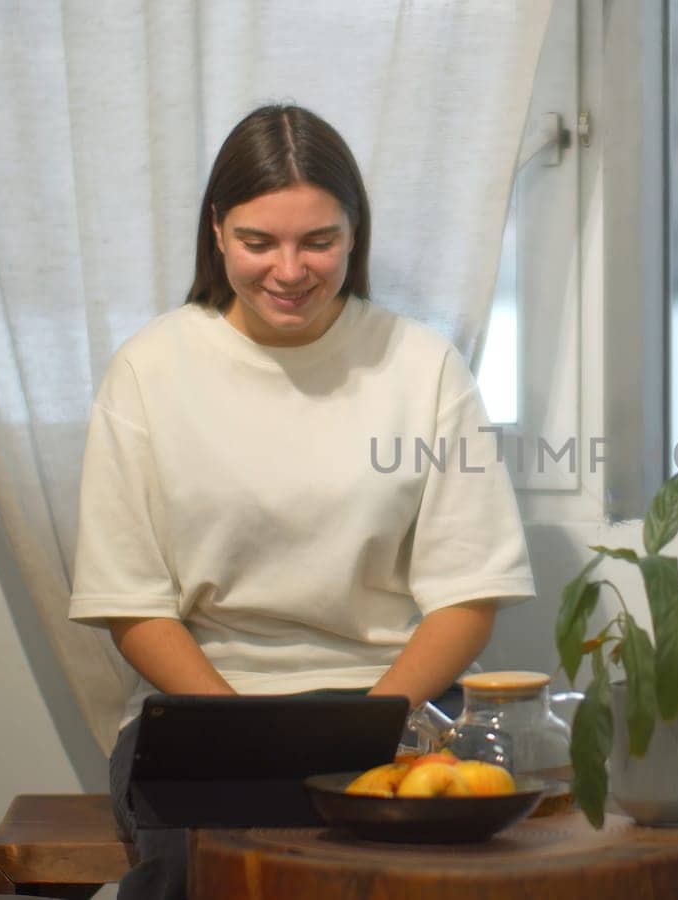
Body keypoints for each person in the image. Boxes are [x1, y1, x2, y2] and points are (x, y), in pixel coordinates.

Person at [67, 104, 535, 900]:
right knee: (211, 871)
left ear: (355, 236)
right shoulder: (149, 370)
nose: (290, 270)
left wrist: (367, 729)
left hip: (402, 707)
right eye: (260, 242)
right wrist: (254, 738)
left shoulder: (421, 367)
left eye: (319, 241)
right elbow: (130, 604)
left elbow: (469, 593)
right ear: (217, 231)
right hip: (208, 709)